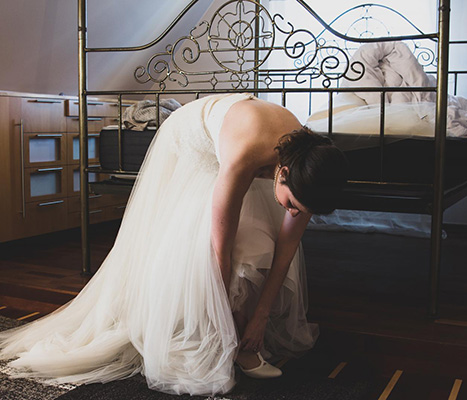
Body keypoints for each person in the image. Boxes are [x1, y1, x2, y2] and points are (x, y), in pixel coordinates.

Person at [0, 93, 348, 396]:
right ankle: (211, 338)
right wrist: (221, 308)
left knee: (265, 245)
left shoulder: (307, 167)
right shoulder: (247, 152)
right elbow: (219, 248)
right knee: (224, 252)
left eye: (298, 210)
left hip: (240, 141)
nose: (289, 211)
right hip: (192, 142)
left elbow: (287, 250)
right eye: (291, 204)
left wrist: (261, 316)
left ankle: (244, 340)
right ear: (282, 172)